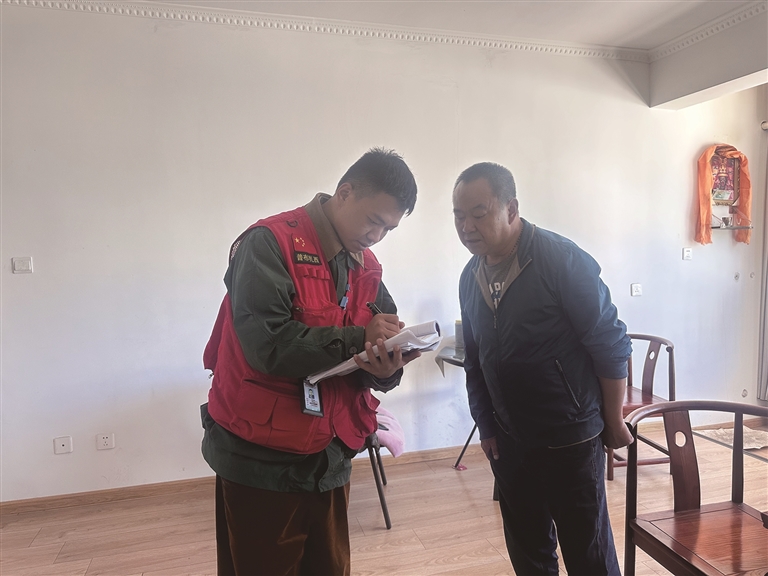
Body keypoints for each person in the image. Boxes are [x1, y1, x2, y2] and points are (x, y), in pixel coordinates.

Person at [201, 148, 420, 576]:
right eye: (373, 221)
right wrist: (358, 339)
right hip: (261, 457)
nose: (377, 236)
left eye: (388, 229)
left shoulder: (366, 264)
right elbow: (267, 346)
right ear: (345, 192)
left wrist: (387, 367)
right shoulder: (269, 243)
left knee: (329, 567)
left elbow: (378, 336)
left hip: (330, 452)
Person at [452, 162, 633, 576]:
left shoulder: (562, 260)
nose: (466, 227)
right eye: (458, 216)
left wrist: (612, 420)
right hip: (509, 440)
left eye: (479, 213)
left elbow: (610, 344)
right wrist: (486, 425)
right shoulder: (470, 275)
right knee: (528, 550)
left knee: (588, 553)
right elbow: (474, 359)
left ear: (511, 208)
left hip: (570, 436)